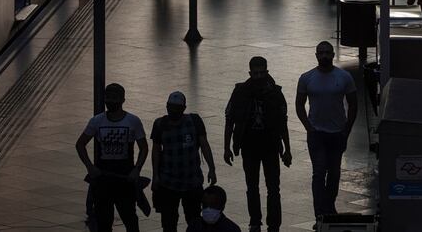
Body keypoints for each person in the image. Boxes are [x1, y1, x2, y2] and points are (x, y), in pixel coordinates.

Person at [225, 56, 292, 232]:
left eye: (262, 72)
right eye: (256, 73)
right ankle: (255, 220)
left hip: (270, 145)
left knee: (272, 187)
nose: (259, 76)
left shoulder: (275, 93)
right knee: (253, 186)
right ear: (250, 72)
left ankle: (273, 223)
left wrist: (287, 149)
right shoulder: (241, 92)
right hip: (249, 146)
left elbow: (282, 122)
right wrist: (227, 147)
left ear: (267, 71)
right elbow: (230, 119)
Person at [296, 41, 358, 228]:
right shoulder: (307, 78)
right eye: (321, 53)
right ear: (316, 55)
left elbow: (354, 103)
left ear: (332, 55)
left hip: (337, 132)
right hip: (317, 134)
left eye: (327, 53)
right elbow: (299, 104)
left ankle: (328, 207)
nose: (324, 56)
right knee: (319, 172)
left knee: (334, 173)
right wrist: (308, 127)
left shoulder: (344, 77)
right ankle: (321, 213)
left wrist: (346, 129)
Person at [75, 83, 148, 232]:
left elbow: (144, 148)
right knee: (104, 220)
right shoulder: (96, 121)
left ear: (122, 99)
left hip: (124, 178)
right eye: (108, 97)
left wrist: (136, 170)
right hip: (104, 179)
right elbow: (80, 144)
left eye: (114, 97)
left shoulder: (133, 121)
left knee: (129, 218)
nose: (110, 101)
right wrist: (90, 167)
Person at [151, 91, 217, 232]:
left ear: (183, 108)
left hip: (191, 181)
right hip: (168, 182)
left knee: (193, 220)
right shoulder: (159, 124)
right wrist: (155, 176)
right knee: (169, 222)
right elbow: (155, 150)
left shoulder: (194, 121)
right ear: (167, 106)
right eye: (171, 107)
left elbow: (204, 145)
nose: (173, 111)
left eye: (177, 108)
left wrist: (212, 168)